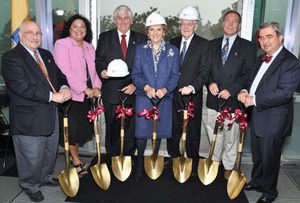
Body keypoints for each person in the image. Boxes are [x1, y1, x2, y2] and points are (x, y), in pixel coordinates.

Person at [1, 21, 71, 202]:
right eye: (30, 33)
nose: (35, 36)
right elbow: (22, 88)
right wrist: (52, 96)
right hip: (29, 118)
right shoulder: (11, 57)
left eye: (38, 33)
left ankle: (45, 177)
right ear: (21, 35)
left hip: (50, 114)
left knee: (49, 151)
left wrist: (64, 87)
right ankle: (30, 185)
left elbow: (59, 76)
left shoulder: (46, 55)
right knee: (30, 156)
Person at [238, 22, 300, 203]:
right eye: (261, 37)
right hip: (257, 117)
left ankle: (270, 192)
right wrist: (244, 90)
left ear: (280, 37)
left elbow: (284, 93)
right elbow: (252, 81)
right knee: (258, 155)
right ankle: (257, 182)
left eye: (269, 36)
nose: (264, 41)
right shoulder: (261, 58)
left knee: (270, 159)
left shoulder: (290, 62)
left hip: (274, 121)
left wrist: (254, 100)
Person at [205, 10, 256, 179]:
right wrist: (210, 82)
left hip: (234, 102)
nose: (230, 24)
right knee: (214, 134)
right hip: (213, 100)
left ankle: (228, 166)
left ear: (239, 25)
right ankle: (213, 161)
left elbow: (249, 74)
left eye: (235, 21)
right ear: (222, 23)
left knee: (231, 137)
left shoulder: (248, 47)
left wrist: (232, 90)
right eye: (227, 20)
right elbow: (205, 70)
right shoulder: (211, 45)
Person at [95, 5, 147, 163]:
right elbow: (99, 60)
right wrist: (103, 71)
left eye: (126, 18)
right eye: (119, 18)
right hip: (111, 91)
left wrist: (135, 85)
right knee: (112, 126)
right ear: (114, 20)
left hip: (132, 89)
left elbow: (145, 65)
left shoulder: (142, 39)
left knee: (130, 127)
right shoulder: (105, 37)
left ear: (131, 20)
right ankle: (113, 157)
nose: (122, 21)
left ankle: (128, 158)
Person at [132, 11, 180, 180]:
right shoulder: (140, 50)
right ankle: (139, 165)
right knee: (141, 133)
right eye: (151, 30)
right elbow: (136, 74)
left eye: (158, 30)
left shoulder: (173, 51)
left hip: (163, 100)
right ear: (147, 32)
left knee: (158, 132)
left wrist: (165, 89)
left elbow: (175, 76)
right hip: (144, 98)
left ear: (164, 31)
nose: (155, 33)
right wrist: (146, 87)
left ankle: (153, 161)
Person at [53, 14, 101, 176]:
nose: (79, 30)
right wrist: (84, 89)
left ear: (86, 30)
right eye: (75, 26)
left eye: (83, 27)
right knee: (72, 131)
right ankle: (75, 160)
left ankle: (75, 156)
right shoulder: (62, 44)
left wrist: (96, 88)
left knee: (81, 130)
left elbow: (94, 71)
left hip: (87, 97)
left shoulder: (89, 47)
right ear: (69, 29)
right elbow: (65, 71)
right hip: (70, 97)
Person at [167, 5, 209, 175]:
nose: (185, 27)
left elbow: (204, 71)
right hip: (173, 94)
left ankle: (193, 160)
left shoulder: (203, 45)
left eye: (189, 24)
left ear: (195, 26)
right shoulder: (172, 43)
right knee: (173, 127)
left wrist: (192, 87)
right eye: (183, 24)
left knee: (192, 130)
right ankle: (174, 156)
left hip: (192, 95)